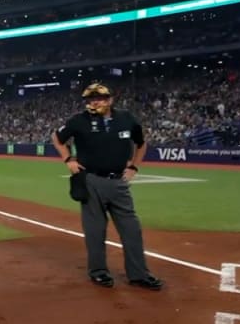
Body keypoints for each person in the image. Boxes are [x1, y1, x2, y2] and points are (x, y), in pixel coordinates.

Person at [51, 83, 163, 290]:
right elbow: (57, 139)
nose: (95, 102)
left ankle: (139, 274)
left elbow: (142, 142)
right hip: (91, 181)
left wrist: (134, 167)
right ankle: (99, 271)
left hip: (119, 183)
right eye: (91, 99)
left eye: (100, 98)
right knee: (95, 230)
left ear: (110, 99)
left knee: (132, 229)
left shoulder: (126, 119)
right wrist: (68, 159)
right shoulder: (79, 120)